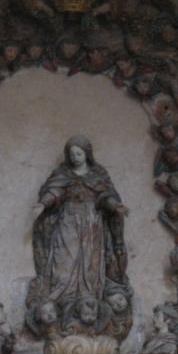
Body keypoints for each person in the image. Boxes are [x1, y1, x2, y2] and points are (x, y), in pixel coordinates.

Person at [29, 135, 129, 319]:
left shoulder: (98, 175)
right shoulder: (62, 174)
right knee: (64, 259)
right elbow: (54, 191)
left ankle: (88, 300)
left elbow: (105, 195)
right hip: (68, 220)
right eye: (72, 154)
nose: (75, 157)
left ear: (87, 154)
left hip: (92, 222)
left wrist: (115, 206)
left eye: (79, 153)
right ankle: (61, 300)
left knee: (90, 260)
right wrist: (43, 204)